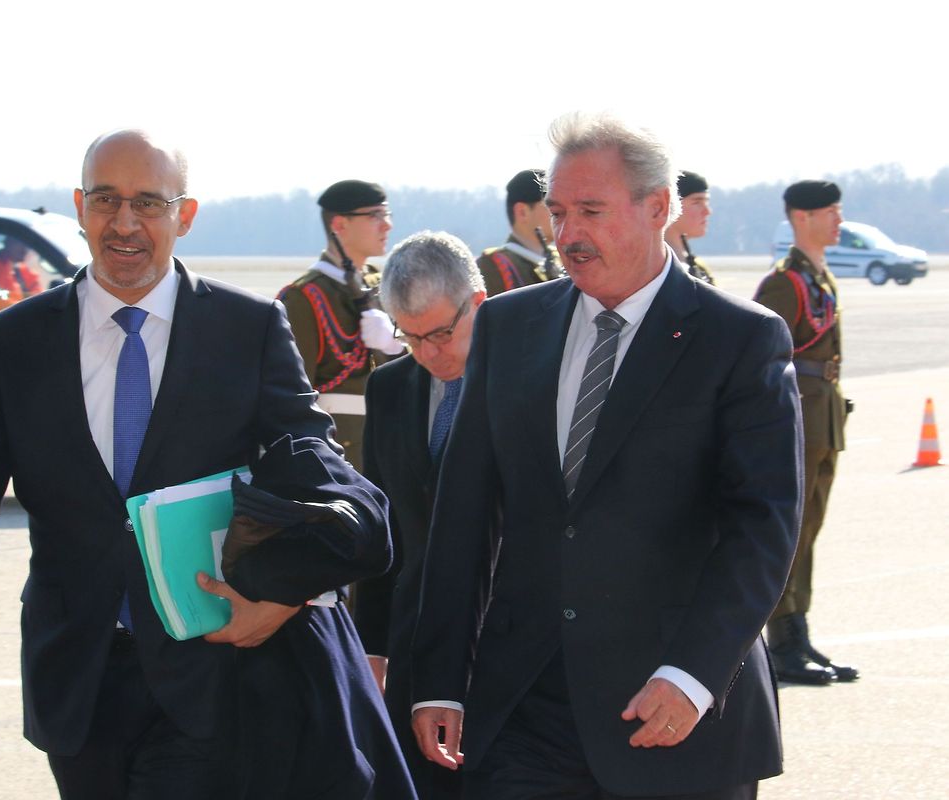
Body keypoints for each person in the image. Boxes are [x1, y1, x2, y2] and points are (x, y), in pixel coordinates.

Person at [0, 130, 406, 799]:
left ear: (184, 216)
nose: (125, 223)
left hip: (214, 677)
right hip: (78, 684)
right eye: (106, 200)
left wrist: (286, 593)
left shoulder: (246, 330)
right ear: (80, 207)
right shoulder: (13, 342)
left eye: (148, 204)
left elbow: (318, 469)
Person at [410, 112, 803, 799]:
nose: (567, 234)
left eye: (590, 211)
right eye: (559, 213)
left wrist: (693, 674)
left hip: (670, 707)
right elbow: (464, 513)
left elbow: (762, 526)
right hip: (524, 704)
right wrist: (439, 677)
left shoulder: (739, 339)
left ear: (657, 207)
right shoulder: (508, 324)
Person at [356, 231, 490, 800]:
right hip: (413, 647)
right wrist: (372, 647)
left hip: (503, 648)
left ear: (477, 303)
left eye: (440, 333)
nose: (430, 353)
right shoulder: (388, 388)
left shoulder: (530, 382)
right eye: (410, 338)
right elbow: (383, 527)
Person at [754, 179, 858, 686]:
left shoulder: (819, 276)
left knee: (810, 527)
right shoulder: (785, 282)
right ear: (802, 217)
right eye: (830, 212)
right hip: (797, 416)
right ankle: (781, 640)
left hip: (824, 415)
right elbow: (764, 357)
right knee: (789, 531)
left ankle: (798, 632)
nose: (839, 220)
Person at [279, 180, 405, 471]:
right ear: (339, 224)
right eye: (374, 215)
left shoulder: (383, 285)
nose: (387, 225)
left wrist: (394, 346)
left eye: (387, 214)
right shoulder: (304, 298)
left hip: (390, 447)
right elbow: (293, 398)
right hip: (339, 456)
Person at [477, 168, 563, 297]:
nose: (561, 214)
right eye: (552, 206)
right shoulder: (491, 267)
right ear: (522, 212)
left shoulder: (564, 260)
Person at [664, 171, 715, 284]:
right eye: (697, 202)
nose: (707, 211)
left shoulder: (698, 267)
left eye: (706, 203)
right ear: (669, 205)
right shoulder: (652, 268)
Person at [0, 236, 42, 306]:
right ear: (9, 243)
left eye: (27, 246)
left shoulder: (19, 267)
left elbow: (36, 291)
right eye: (21, 244)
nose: (25, 249)